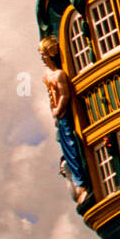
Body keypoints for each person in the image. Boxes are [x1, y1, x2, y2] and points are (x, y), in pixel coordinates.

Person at [39, 36, 90, 205]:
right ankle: (77, 181)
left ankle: (81, 182)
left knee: (71, 143)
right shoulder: (47, 75)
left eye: (44, 55)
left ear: (50, 56)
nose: (42, 59)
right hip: (58, 117)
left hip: (63, 115)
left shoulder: (59, 74)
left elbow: (65, 95)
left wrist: (58, 110)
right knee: (64, 143)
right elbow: (51, 95)